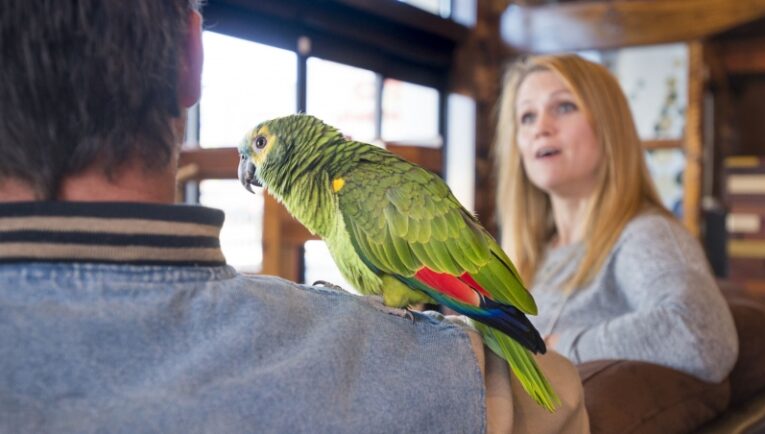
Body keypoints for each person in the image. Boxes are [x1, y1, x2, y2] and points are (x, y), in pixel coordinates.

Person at [0, 1, 589, 433]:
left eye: (256, 147)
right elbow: (562, 395)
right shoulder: (435, 379)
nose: (247, 165)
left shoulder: (359, 185)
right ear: (190, 58)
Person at [493, 53, 738, 384]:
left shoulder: (644, 235)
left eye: (564, 107)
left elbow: (703, 335)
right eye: (527, 117)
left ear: (608, 125)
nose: (541, 128)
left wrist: (561, 347)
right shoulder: (533, 254)